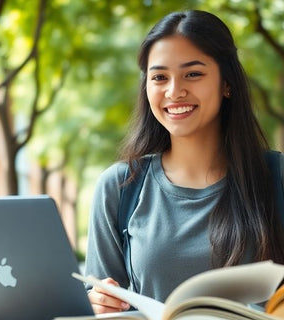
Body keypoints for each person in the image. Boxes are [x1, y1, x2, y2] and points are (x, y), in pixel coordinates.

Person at [84, 9, 284, 314]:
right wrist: (98, 303)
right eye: (160, 77)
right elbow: (101, 300)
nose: (174, 91)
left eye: (193, 73)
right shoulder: (120, 187)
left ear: (227, 83)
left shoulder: (276, 177)